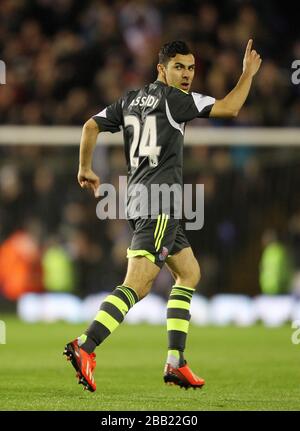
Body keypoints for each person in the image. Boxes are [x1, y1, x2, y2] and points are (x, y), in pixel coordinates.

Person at [63, 40, 262, 392]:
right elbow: (230, 108)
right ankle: (85, 345)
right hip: (159, 205)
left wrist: (85, 168)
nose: (186, 75)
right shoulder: (177, 101)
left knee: (189, 273)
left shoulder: (128, 100)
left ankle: (176, 362)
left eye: (190, 68)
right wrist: (247, 74)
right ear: (162, 69)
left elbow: (89, 127)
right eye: (179, 67)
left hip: (144, 199)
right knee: (137, 286)